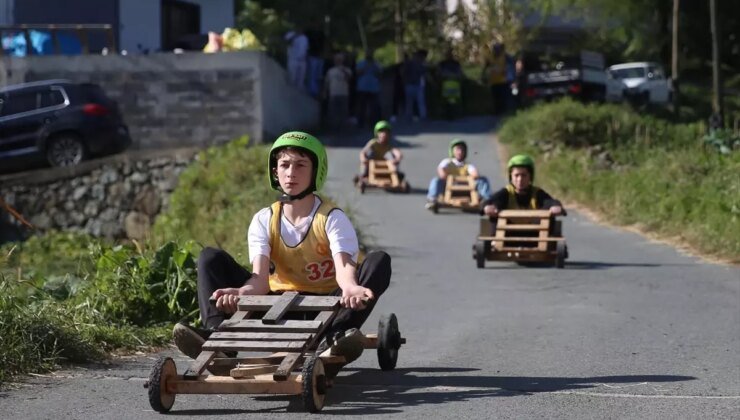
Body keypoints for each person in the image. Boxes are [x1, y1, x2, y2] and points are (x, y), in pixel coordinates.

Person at [173, 132, 392, 364]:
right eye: (284, 165)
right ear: (275, 171)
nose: (291, 173)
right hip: (275, 306)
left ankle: (334, 339)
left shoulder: (332, 218)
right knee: (210, 257)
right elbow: (259, 280)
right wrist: (240, 293)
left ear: (316, 172)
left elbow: (344, 264)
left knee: (378, 261)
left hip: (327, 308)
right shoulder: (264, 219)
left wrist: (350, 287)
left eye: (300, 165)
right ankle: (219, 340)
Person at [480, 154, 565, 234]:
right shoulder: (507, 192)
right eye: (516, 175)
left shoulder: (537, 193)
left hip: (534, 235)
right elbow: (490, 201)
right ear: (511, 176)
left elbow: (550, 201)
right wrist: (488, 207)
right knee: (495, 210)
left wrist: (555, 207)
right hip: (508, 234)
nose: (520, 180)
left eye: (524, 175)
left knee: (548, 214)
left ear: (530, 176)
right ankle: (494, 243)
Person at [425, 139, 491, 209]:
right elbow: (441, 170)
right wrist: (445, 175)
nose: (460, 152)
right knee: (436, 180)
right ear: (452, 151)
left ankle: (486, 200)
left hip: (465, 189)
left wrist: (473, 176)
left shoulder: (468, 165)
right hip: (448, 188)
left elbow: (475, 174)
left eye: (462, 150)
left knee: (483, 180)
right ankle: (432, 199)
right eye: (457, 150)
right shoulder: (447, 162)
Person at [356, 120, 403, 184]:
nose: (384, 134)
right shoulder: (373, 143)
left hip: (386, 164)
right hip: (372, 162)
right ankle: (364, 175)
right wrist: (363, 159)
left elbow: (397, 152)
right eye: (381, 132)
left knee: (390, 154)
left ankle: (396, 174)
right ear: (377, 134)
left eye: (386, 132)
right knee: (369, 153)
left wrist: (397, 159)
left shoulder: (390, 145)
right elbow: (363, 151)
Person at [324, 52, 353, 131]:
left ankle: (343, 129)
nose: (338, 61)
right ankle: (333, 128)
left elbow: (349, 79)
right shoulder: (331, 71)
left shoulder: (347, 70)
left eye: (340, 59)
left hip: (344, 94)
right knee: (333, 112)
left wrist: (342, 70)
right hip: (333, 93)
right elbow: (327, 82)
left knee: (343, 112)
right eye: (337, 59)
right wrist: (325, 92)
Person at [482, 42, 512, 116]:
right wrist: (483, 75)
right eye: (495, 49)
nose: (496, 50)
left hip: (503, 81)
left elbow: (510, 66)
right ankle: (497, 112)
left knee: (503, 98)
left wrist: (507, 72)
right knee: (496, 98)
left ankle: (504, 112)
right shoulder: (490, 58)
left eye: (497, 49)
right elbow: (486, 67)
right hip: (493, 82)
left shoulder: (504, 57)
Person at [355, 49, 383, 128]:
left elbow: (380, 74)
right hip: (363, 87)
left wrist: (374, 68)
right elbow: (357, 73)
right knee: (362, 106)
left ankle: (373, 123)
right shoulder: (361, 63)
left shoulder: (376, 64)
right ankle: (361, 123)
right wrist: (365, 67)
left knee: (374, 107)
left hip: (374, 88)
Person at [438, 49, 464, 119]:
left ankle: (453, 114)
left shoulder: (454, 63)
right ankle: (449, 114)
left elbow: (460, 73)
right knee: (448, 100)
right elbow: (440, 73)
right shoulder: (443, 63)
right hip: (449, 85)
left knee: (453, 101)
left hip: (452, 85)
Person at [403, 50, 427, 121]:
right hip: (411, 85)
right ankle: (408, 117)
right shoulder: (409, 64)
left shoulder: (420, 64)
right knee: (410, 102)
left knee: (419, 102)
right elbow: (404, 72)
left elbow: (424, 73)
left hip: (417, 85)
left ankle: (422, 117)